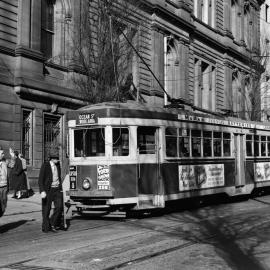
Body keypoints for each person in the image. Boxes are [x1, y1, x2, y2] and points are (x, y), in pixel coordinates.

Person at [38, 154, 63, 233]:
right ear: (52, 159)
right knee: (46, 209)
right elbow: (40, 180)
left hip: (57, 189)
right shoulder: (45, 166)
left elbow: (59, 177)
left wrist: (61, 188)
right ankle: (45, 226)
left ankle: (52, 223)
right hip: (48, 190)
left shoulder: (57, 165)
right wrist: (42, 191)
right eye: (57, 159)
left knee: (59, 207)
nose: (58, 160)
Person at [0, 149, 8, 217]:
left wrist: (13, 156)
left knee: (4, 204)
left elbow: (12, 164)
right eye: (2, 153)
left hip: (4, 186)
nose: (3, 155)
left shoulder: (5, 162)